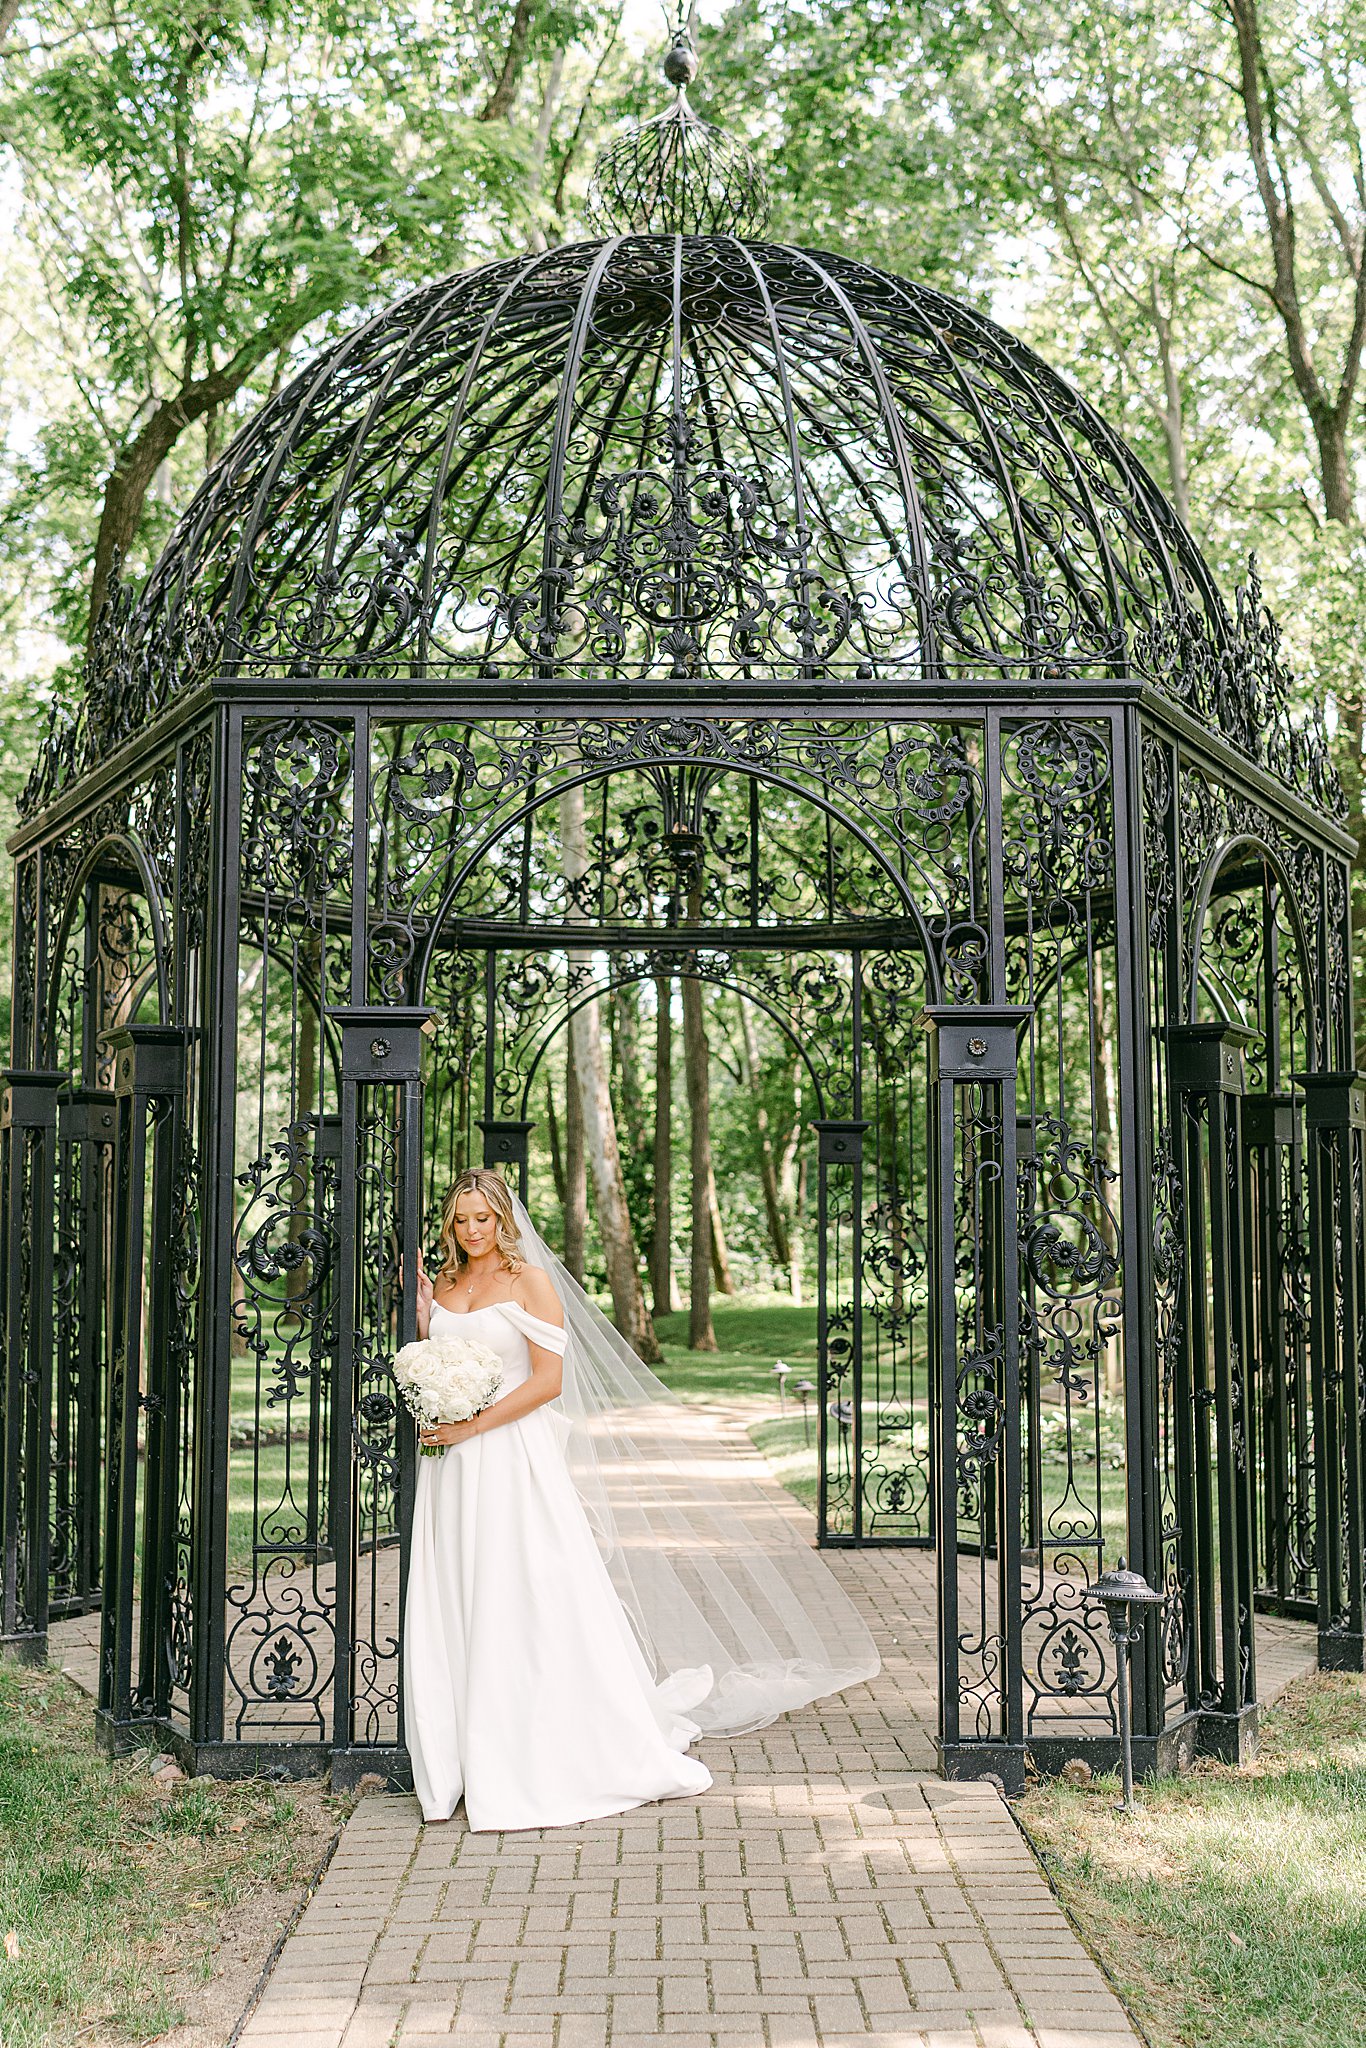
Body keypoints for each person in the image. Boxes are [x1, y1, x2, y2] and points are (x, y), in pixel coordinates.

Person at [402, 1167, 879, 1832]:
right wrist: (428, 1320)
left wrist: (472, 1425)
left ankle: (532, 1744)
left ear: (504, 1220)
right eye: (461, 1220)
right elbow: (442, 1363)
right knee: (456, 1589)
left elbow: (547, 1382)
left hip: (509, 1459)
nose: (473, 1230)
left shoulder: (530, 1282)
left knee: (520, 1590)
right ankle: (457, 1751)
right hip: (450, 1465)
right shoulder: (448, 1284)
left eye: (483, 1218)